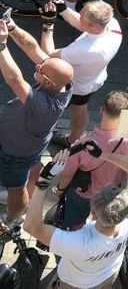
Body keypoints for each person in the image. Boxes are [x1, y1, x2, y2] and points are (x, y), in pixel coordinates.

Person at [25, 151, 128, 289]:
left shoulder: (79, 244)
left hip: (74, 284)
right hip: (108, 276)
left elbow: (31, 227)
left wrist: (43, 180)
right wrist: (102, 154)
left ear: (93, 212)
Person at [8, 0, 120, 141]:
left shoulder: (86, 50)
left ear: (91, 25)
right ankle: (73, 140)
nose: (78, 15)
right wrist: (64, 10)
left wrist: (48, 24)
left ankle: (36, 137)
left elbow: (48, 56)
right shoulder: (111, 24)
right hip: (92, 81)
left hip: (71, 85)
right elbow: (83, 25)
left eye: (81, 15)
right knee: (80, 109)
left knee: (46, 111)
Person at [0, 18, 73, 223]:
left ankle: (12, 218)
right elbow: (31, 47)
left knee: (16, 189)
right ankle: (29, 189)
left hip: (15, 152)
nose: (38, 66)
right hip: (32, 144)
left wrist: (2, 46)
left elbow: (14, 80)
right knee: (32, 168)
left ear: (48, 83)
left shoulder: (44, 105)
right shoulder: (63, 82)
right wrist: (12, 26)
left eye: (41, 70)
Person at [55, 89, 128, 229]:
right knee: (102, 224)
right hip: (111, 194)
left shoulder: (82, 145)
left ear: (101, 109)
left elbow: (67, 173)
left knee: (75, 223)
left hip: (84, 193)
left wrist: (60, 190)